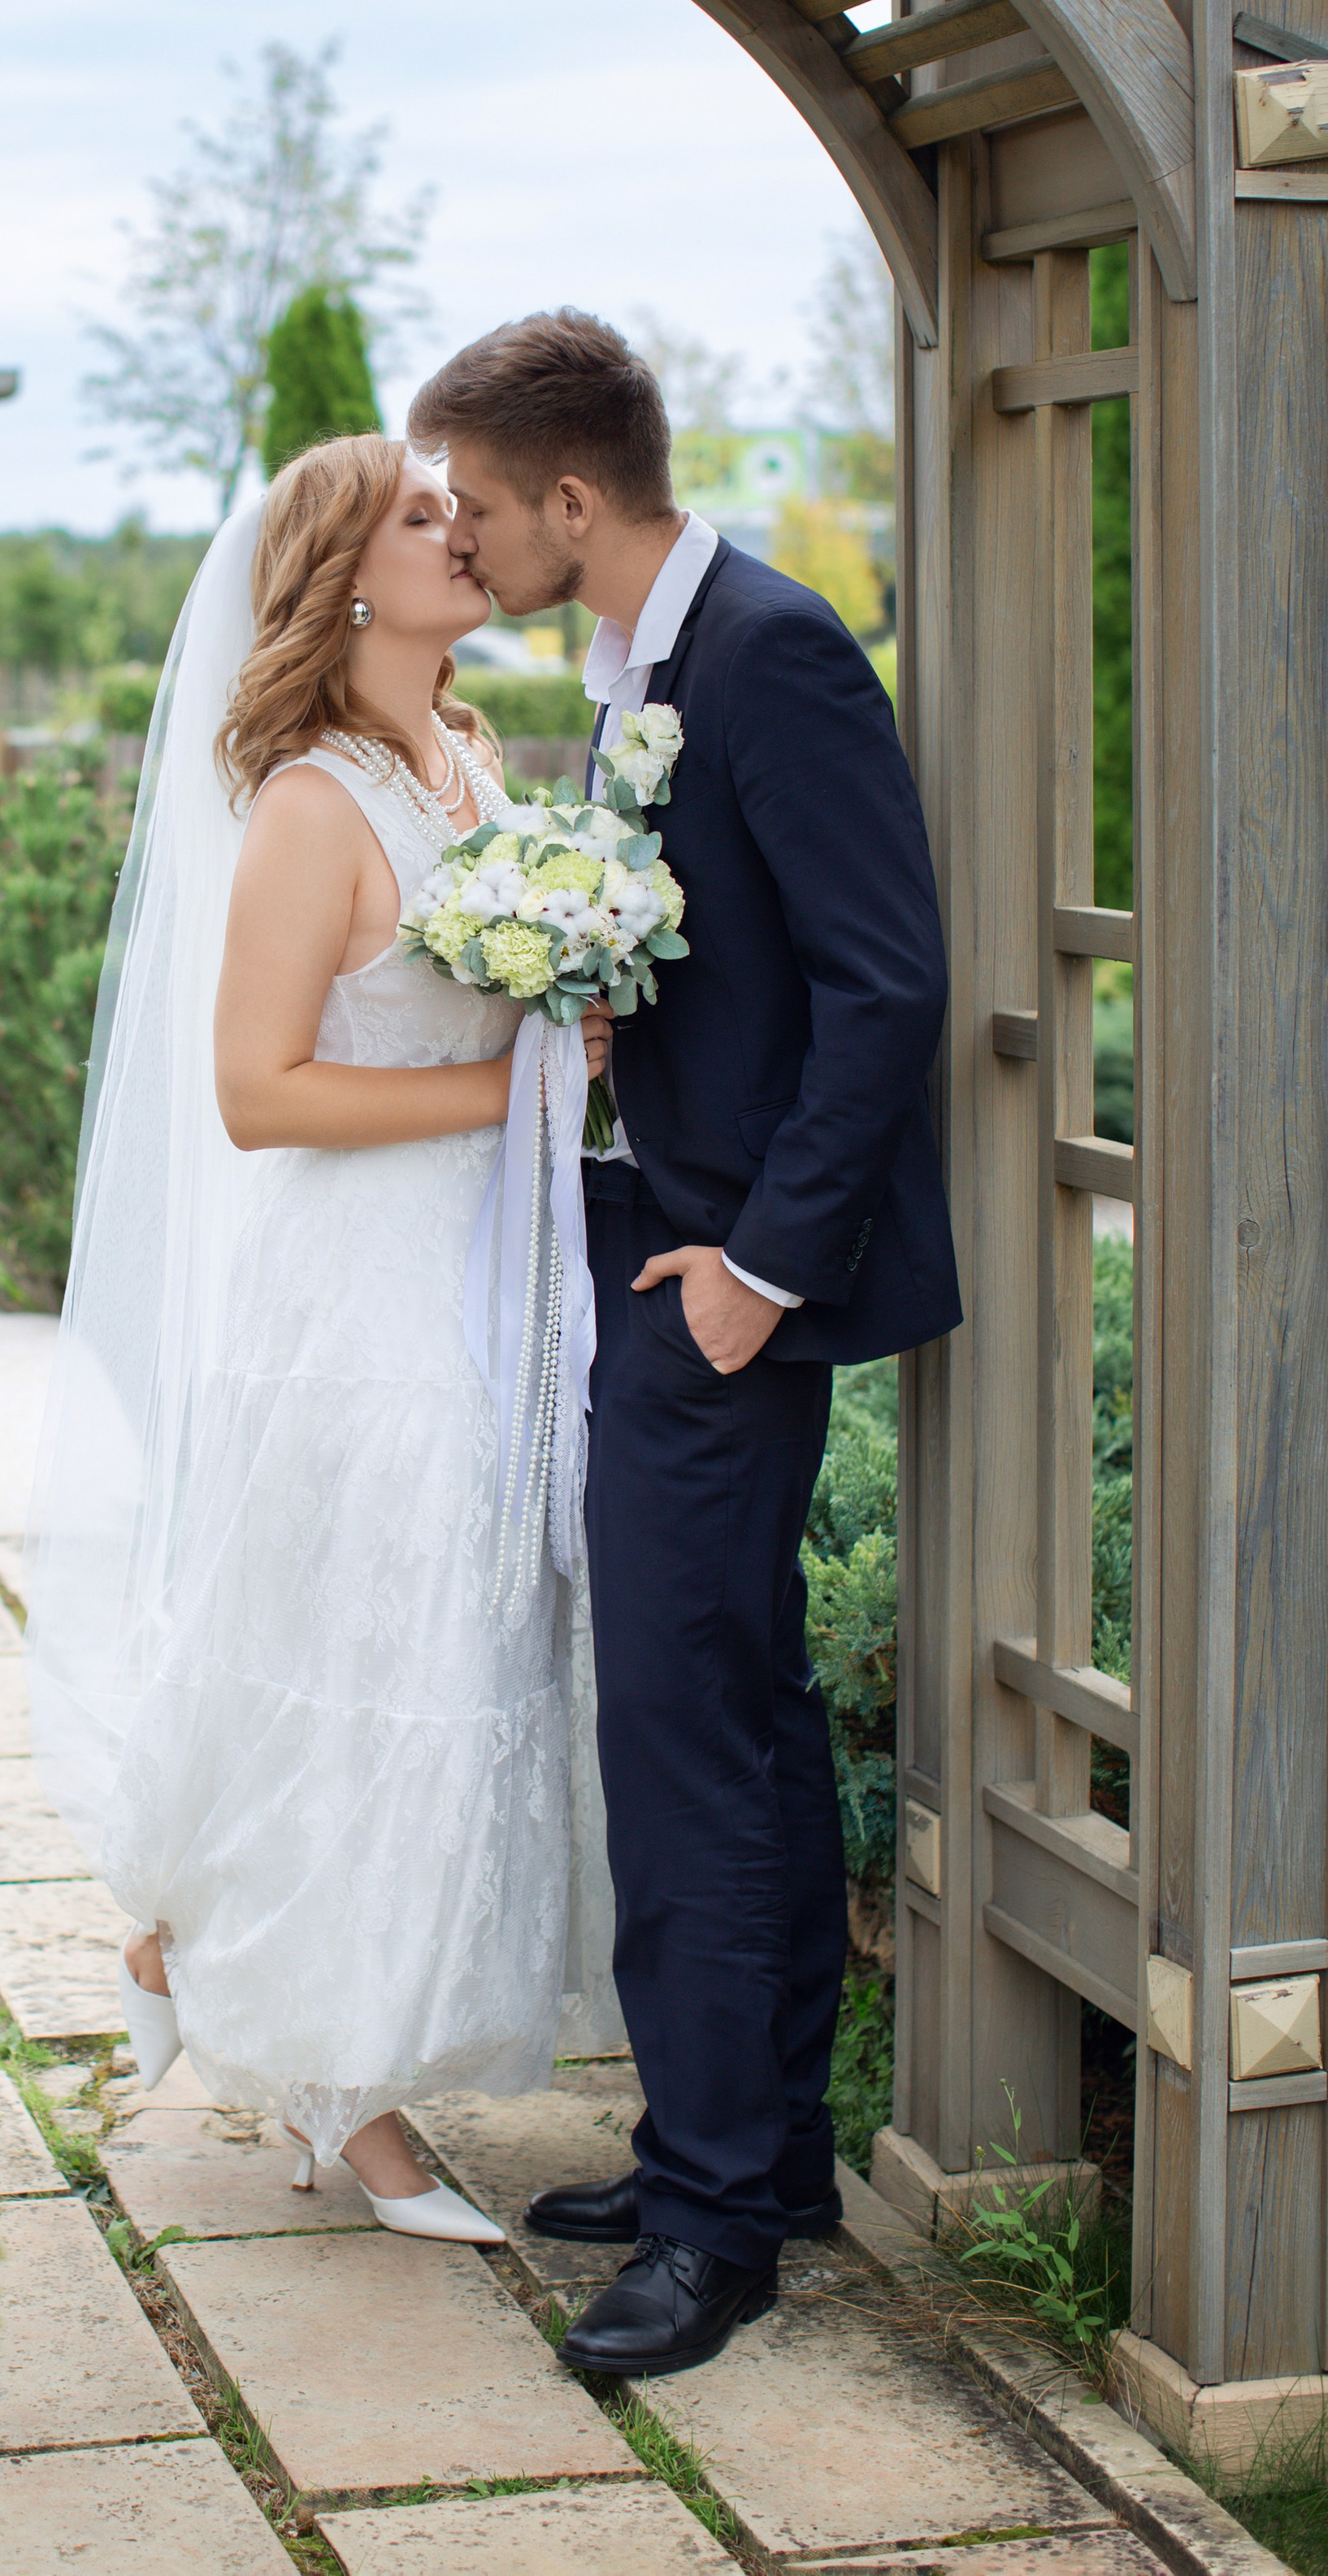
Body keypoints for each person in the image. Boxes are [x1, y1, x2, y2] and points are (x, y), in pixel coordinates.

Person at [410, 309, 960, 2376]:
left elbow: (883, 987)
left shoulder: (773, 651)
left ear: (572, 496)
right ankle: (729, 2141)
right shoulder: (637, 663)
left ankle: (724, 2218)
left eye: (473, 504)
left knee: (688, 1724)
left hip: (724, 1285)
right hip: (646, 1237)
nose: (459, 539)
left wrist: (758, 1272)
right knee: (699, 1715)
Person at [26, 434, 619, 2239]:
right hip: (353, 1302)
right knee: (375, 1657)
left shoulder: (469, 757)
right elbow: (254, 1092)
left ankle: (186, 1939)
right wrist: (494, 1086)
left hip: (484, 1272)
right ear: (349, 580)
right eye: (426, 519)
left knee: (442, 1637)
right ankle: (336, 2095)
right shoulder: (308, 802)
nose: (468, 535)